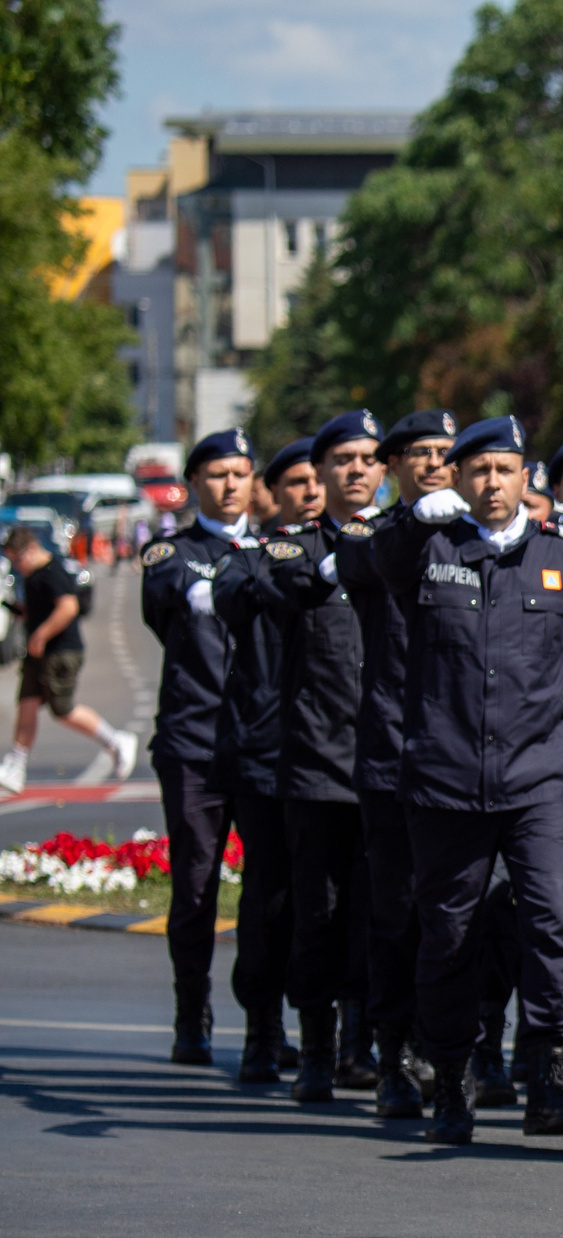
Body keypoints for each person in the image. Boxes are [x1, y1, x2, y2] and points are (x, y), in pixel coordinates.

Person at [344, 415, 563, 1142]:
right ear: (458, 480)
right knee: (448, 932)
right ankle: (452, 1083)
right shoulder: (429, 550)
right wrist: (409, 518)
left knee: (554, 922)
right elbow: (376, 564)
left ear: (526, 477)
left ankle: (551, 1078)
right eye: (477, 471)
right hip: (446, 779)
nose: (492, 483)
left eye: (504, 469)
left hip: (539, 779)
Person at [216, 409, 383, 1101]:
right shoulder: (289, 551)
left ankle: (365, 1046)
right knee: (314, 911)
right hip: (314, 759)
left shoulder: (412, 543)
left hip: (391, 761)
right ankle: (313, 1046)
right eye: (341, 459)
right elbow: (252, 588)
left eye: (369, 458)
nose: (355, 470)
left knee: (382, 916)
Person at [344, 409, 459, 1119]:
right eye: (420, 452)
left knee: (460, 914)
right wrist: (417, 522)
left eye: (448, 452)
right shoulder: (373, 534)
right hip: (393, 750)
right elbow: (369, 562)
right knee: (394, 914)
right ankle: (391, 1052)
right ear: (393, 465)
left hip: (462, 754)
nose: (436, 463)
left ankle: (450, 1047)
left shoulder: (474, 530)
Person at [138, 430, 259, 1063]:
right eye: (217, 474)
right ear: (194, 483)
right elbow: (160, 613)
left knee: (271, 891)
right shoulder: (172, 554)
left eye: (241, 472)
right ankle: (192, 1010)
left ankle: (263, 1020)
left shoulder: (273, 548)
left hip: (266, 743)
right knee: (194, 886)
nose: (231, 484)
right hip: (197, 742)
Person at [216, 438, 321, 1085]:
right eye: (297, 482)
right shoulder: (250, 560)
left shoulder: (359, 556)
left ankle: (338, 1035)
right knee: (269, 896)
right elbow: (235, 594)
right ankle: (262, 1028)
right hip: (263, 751)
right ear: (271, 493)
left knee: (334, 900)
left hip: (333, 753)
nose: (312, 491)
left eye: (318, 479)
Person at [1, 526, 137, 797]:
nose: (17, 566)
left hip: (61, 652)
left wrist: (41, 634)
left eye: (17, 559)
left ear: (29, 550)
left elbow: (68, 607)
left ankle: (116, 741)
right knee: (26, 703)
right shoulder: (34, 576)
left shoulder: (53, 572)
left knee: (62, 709)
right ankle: (17, 764)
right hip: (40, 653)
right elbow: (38, 610)